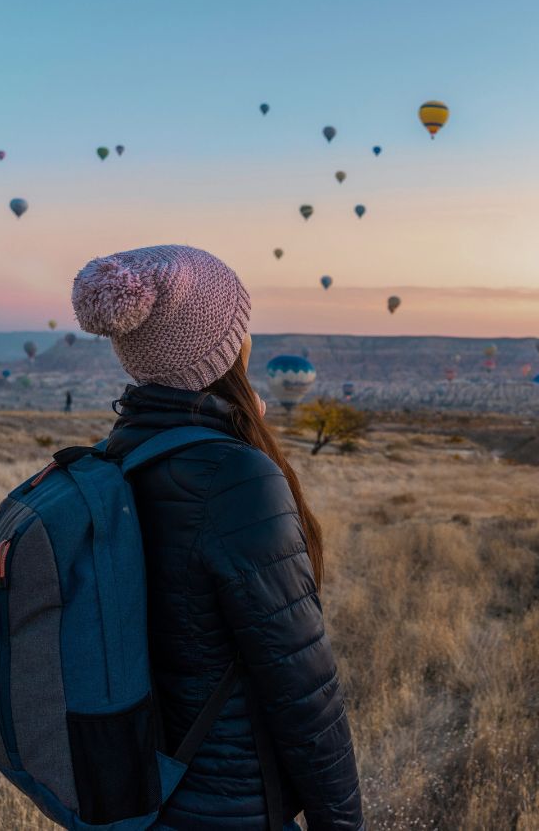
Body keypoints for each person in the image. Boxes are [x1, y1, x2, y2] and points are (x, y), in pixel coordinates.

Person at [71, 245, 364, 831]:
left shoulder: (117, 457)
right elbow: (301, 682)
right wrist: (342, 821)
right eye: (241, 325)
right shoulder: (234, 476)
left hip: (135, 793)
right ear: (226, 349)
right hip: (228, 802)